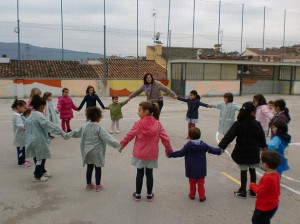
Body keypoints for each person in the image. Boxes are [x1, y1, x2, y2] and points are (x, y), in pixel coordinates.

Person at [119, 101, 172, 202]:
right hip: (151, 154)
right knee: (149, 174)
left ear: (146, 111)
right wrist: (168, 150)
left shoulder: (138, 124)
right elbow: (166, 138)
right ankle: (149, 195)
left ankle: (138, 195)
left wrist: (121, 145)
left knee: (139, 173)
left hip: (140, 154)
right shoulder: (158, 124)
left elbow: (129, 136)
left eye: (139, 111)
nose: (137, 112)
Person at [64, 107, 121, 192]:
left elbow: (75, 133)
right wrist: (119, 145)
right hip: (97, 152)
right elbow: (108, 138)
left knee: (89, 168)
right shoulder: (99, 128)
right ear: (98, 117)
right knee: (98, 168)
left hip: (87, 151)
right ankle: (98, 186)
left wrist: (65, 135)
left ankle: (89, 185)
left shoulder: (84, 126)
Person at [218, 101, 267, 198]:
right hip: (254, 153)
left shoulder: (238, 123)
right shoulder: (257, 124)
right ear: (252, 113)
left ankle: (243, 191)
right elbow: (262, 138)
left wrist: (220, 147)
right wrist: (264, 149)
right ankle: (253, 191)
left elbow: (229, 136)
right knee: (253, 170)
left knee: (243, 171)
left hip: (242, 153)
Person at [168, 127, 223, 202]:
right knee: (201, 183)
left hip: (191, 169)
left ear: (189, 136)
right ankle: (202, 197)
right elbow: (212, 149)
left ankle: (192, 195)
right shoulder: (203, 145)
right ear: (200, 135)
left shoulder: (188, 146)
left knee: (192, 183)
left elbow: (180, 153)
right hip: (201, 169)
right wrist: (220, 151)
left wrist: (171, 154)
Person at [25, 95, 65, 182]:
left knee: (38, 156)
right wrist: (61, 132)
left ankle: (42, 171)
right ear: (41, 106)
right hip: (38, 140)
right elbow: (49, 125)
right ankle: (37, 175)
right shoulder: (39, 116)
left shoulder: (32, 115)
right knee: (41, 157)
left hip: (32, 139)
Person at [250, 151, 281, 224]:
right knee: (265, 220)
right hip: (274, 204)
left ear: (265, 165)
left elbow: (260, 191)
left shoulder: (267, 178)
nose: (261, 163)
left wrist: (252, 185)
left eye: (262, 162)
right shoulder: (276, 174)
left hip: (264, 207)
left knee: (256, 221)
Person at [11, 99, 31, 167]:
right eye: (24, 108)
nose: (25, 109)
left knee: (23, 148)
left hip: (22, 136)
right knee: (20, 149)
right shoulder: (17, 116)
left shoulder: (19, 114)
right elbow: (19, 124)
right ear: (18, 107)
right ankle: (21, 162)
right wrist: (24, 127)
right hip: (19, 136)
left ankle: (23, 159)